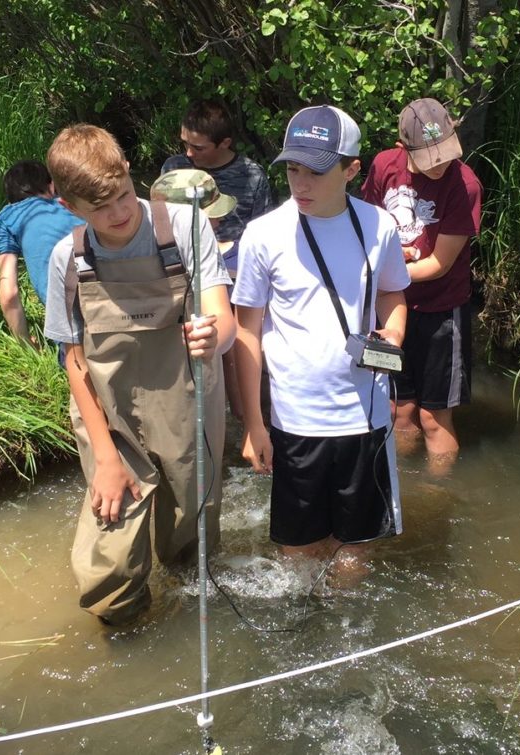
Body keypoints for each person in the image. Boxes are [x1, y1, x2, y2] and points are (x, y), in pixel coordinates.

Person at [43, 125, 236, 627]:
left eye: (124, 195)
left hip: (188, 406)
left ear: (130, 172)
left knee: (189, 551)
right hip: (112, 420)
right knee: (109, 563)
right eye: (100, 208)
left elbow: (225, 317)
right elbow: (74, 362)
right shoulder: (69, 258)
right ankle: (125, 638)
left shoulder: (186, 227)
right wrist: (106, 458)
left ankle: (182, 624)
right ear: (69, 207)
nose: (120, 213)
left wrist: (213, 337)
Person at [232, 105, 410, 579]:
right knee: (298, 550)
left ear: (352, 169)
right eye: (292, 169)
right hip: (295, 420)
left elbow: (393, 291)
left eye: (315, 171)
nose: (300, 183)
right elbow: (246, 331)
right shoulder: (262, 236)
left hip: (366, 418)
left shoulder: (380, 226)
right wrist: (254, 424)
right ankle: (303, 636)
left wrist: (392, 332)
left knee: (355, 550)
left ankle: (346, 633)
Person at [361, 98, 482, 476]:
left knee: (433, 415)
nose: (441, 165)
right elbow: (368, 224)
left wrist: (385, 271)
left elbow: (440, 263)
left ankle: (437, 494)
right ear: (403, 149)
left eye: (446, 154)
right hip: (390, 306)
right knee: (399, 408)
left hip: (441, 310)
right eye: (431, 159)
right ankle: (401, 484)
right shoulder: (384, 166)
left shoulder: (465, 185)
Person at [160, 98, 272, 275]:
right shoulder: (173, 168)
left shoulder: (253, 175)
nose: (189, 153)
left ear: (225, 143)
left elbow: (263, 233)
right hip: (183, 265)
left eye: (198, 148)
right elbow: (162, 223)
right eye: (185, 143)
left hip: (236, 268)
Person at [0, 160, 84, 346]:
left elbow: (8, 293)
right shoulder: (74, 204)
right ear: (51, 186)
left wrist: (25, 343)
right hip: (117, 300)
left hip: (70, 325)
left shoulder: (8, 217)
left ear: (10, 198)